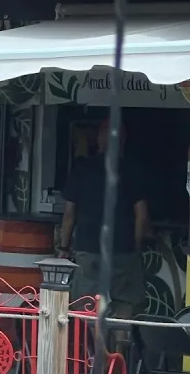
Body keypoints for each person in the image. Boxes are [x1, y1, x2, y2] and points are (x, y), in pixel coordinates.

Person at [56, 115, 149, 318]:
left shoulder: (82, 169)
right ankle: (119, 346)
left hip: (89, 251)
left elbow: (69, 213)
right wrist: (135, 246)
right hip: (123, 251)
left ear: (99, 139)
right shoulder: (132, 171)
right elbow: (141, 215)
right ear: (123, 140)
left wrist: (64, 247)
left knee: (87, 306)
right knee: (125, 304)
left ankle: (94, 346)